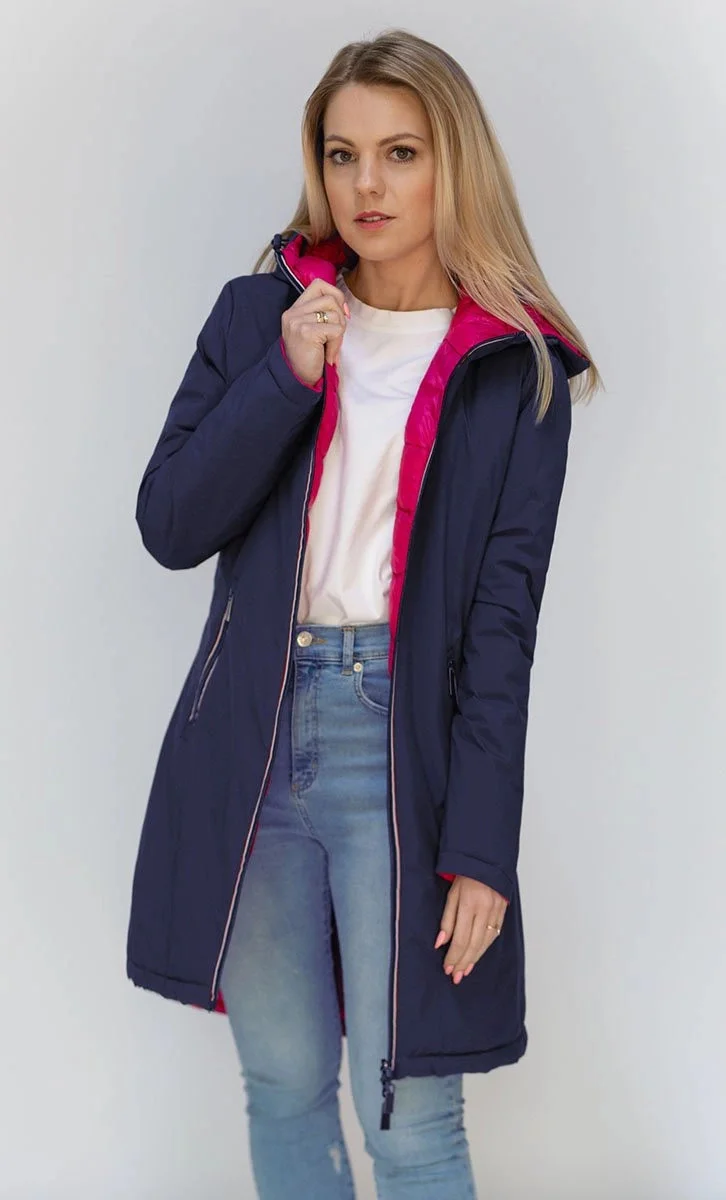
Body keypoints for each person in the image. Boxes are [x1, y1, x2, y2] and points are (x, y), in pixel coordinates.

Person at [126, 27, 601, 1200]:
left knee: (411, 1116)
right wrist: (285, 377)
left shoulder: (516, 371)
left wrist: (480, 847)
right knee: (285, 1084)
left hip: (401, 747)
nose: (366, 185)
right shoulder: (261, 319)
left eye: (401, 153)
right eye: (343, 155)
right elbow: (171, 524)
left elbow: (503, 630)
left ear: (453, 165)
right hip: (253, 737)